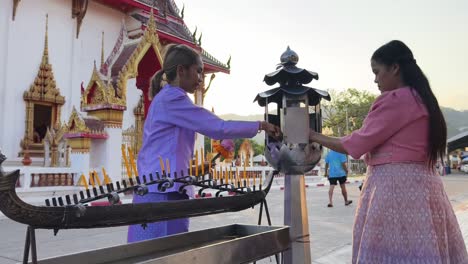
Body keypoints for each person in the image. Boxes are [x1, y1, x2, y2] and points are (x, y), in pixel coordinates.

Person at [309, 40, 467, 263]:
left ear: (394, 68)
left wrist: (314, 135)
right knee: (422, 249)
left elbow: (358, 143)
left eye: (377, 72)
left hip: (395, 187)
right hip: (426, 187)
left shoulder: (396, 99)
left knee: (392, 251)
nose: (375, 80)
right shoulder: (424, 100)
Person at [127, 44, 281, 243]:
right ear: (181, 70)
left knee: (160, 252)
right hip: (162, 192)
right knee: (162, 253)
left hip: (163, 188)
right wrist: (261, 125)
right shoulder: (172, 99)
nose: (201, 78)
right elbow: (218, 127)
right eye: (198, 71)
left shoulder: (170, 98)